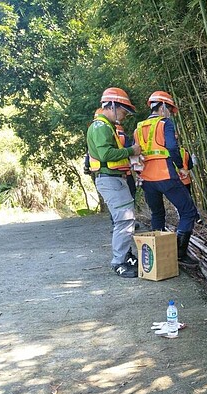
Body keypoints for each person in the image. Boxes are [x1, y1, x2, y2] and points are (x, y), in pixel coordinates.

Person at [134, 91, 199, 266]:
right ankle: (179, 253)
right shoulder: (165, 123)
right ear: (162, 107)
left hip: (147, 179)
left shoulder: (139, 127)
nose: (170, 113)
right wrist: (181, 167)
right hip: (166, 175)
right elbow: (172, 146)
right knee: (188, 212)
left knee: (157, 213)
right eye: (169, 109)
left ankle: (157, 254)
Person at [87, 87, 142, 278]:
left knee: (126, 220)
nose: (125, 116)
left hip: (115, 179)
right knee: (124, 221)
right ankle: (119, 262)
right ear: (112, 106)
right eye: (124, 111)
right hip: (109, 179)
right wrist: (131, 151)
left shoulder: (106, 126)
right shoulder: (100, 127)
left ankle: (125, 256)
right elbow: (105, 154)